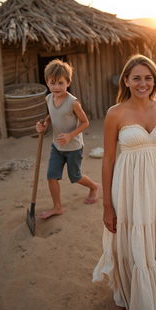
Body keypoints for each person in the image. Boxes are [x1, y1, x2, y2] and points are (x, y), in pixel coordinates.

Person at [93, 55, 156, 310]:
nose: (143, 83)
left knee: (153, 235)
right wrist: (107, 205)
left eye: (148, 78)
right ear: (126, 81)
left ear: (155, 80)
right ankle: (122, 297)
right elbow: (108, 160)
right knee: (126, 236)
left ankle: (152, 293)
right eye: (136, 78)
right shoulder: (115, 113)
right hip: (127, 186)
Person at [36, 59, 100, 219]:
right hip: (57, 146)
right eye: (53, 83)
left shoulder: (73, 103)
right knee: (51, 177)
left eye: (60, 83)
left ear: (68, 82)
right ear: (47, 83)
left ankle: (93, 187)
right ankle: (57, 207)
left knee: (75, 177)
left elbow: (85, 122)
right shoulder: (48, 99)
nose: (56, 87)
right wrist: (44, 124)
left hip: (73, 147)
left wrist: (70, 135)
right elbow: (52, 114)